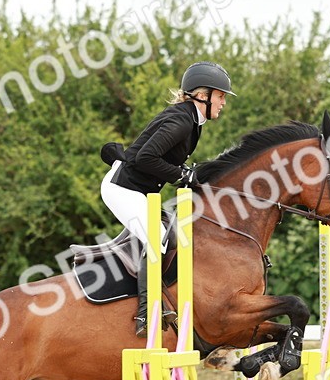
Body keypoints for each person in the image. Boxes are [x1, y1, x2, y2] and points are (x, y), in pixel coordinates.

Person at [100, 61, 235, 336]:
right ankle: (146, 313)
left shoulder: (192, 121)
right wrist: (181, 175)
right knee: (158, 237)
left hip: (140, 192)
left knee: (173, 236)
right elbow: (144, 157)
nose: (223, 103)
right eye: (220, 96)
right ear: (203, 95)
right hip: (122, 190)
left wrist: (188, 175)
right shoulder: (181, 120)